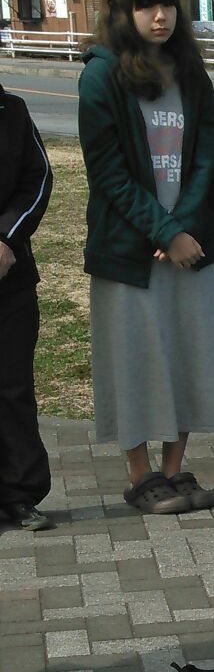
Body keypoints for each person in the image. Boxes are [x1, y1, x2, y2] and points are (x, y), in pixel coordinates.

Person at [78, 0, 214, 516]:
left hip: (188, 248)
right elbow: (109, 173)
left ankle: (175, 469)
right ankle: (140, 474)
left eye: (167, 3)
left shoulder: (189, 71)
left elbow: (207, 151)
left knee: (188, 354)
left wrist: (184, 227)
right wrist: (163, 230)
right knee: (136, 360)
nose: (160, 15)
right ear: (121, 13)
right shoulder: (101, 75)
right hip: (130, 250)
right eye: (145, 5)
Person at [0, 79, 55, 532]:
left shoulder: (12, 110)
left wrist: (6, 238)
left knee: (13, 386)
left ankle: (20, 494)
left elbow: (37, 181)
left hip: (9, 275)